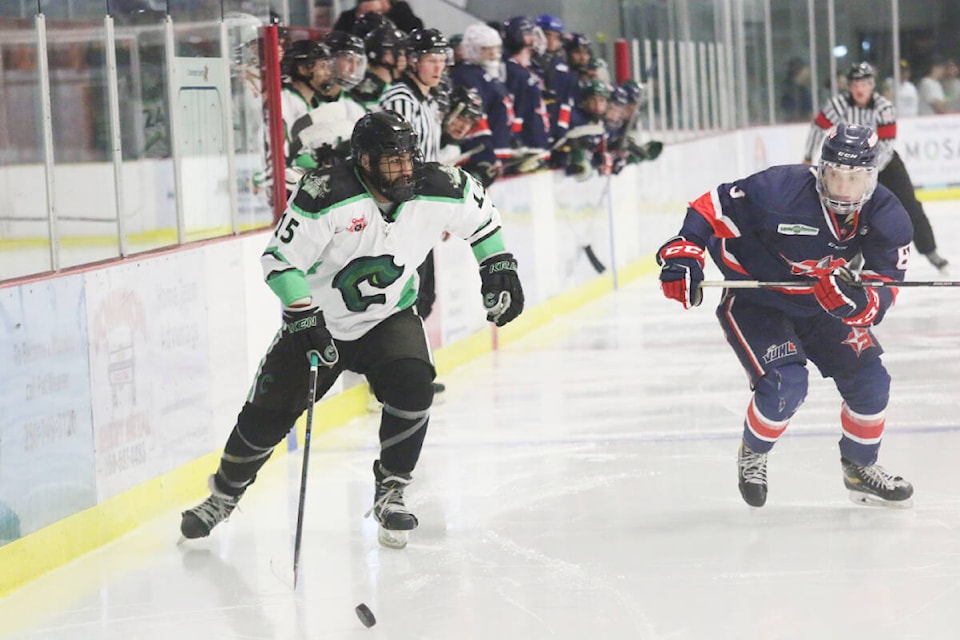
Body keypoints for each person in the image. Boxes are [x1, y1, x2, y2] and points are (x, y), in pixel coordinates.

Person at [179, 111, 525, 549]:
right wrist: (303, 315)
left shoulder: (441, 185)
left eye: (407, 158)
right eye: (390, 161)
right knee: (267, 413)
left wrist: (498, 268)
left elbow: (484, 224)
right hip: (319, 323)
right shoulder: (326, 194)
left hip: (390, 317)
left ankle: (391, 490)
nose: (403, 169)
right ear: (362, 160)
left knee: (415, 384)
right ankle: (223, 496)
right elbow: (280, 262)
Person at [657, 123, 914, 509]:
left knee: (871, 380)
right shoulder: (779, 190)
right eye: (835, 175)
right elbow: (710, 206)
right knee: (784, 386)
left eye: (856, 177)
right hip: (757, 302)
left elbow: (885, 285)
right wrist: (685, 248)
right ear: (819, 170)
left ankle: (859, 467)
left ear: (873, 176)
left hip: (822, 303)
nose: (844, 188)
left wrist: (858, 304)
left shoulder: (887, 214)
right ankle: (754, 452)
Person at [803, 61, 949, 272]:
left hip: (884, 164)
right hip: (850, 165)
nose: (859, 89)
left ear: (872, 85)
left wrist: (868, 174)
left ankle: (931, 252)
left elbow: (887, 146)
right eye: (855, 85)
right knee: (846, 208)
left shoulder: (884, 107)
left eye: (864, 84)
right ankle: (850, 256)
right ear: (849, 87)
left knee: (910, 206)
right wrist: (808, 157)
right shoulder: (838, 105)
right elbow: (818, 128)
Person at [780, 57, 812, 122]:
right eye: (806, 69)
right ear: (800, 71)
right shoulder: (793, 92)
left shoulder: (801, 89)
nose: (809, 72)